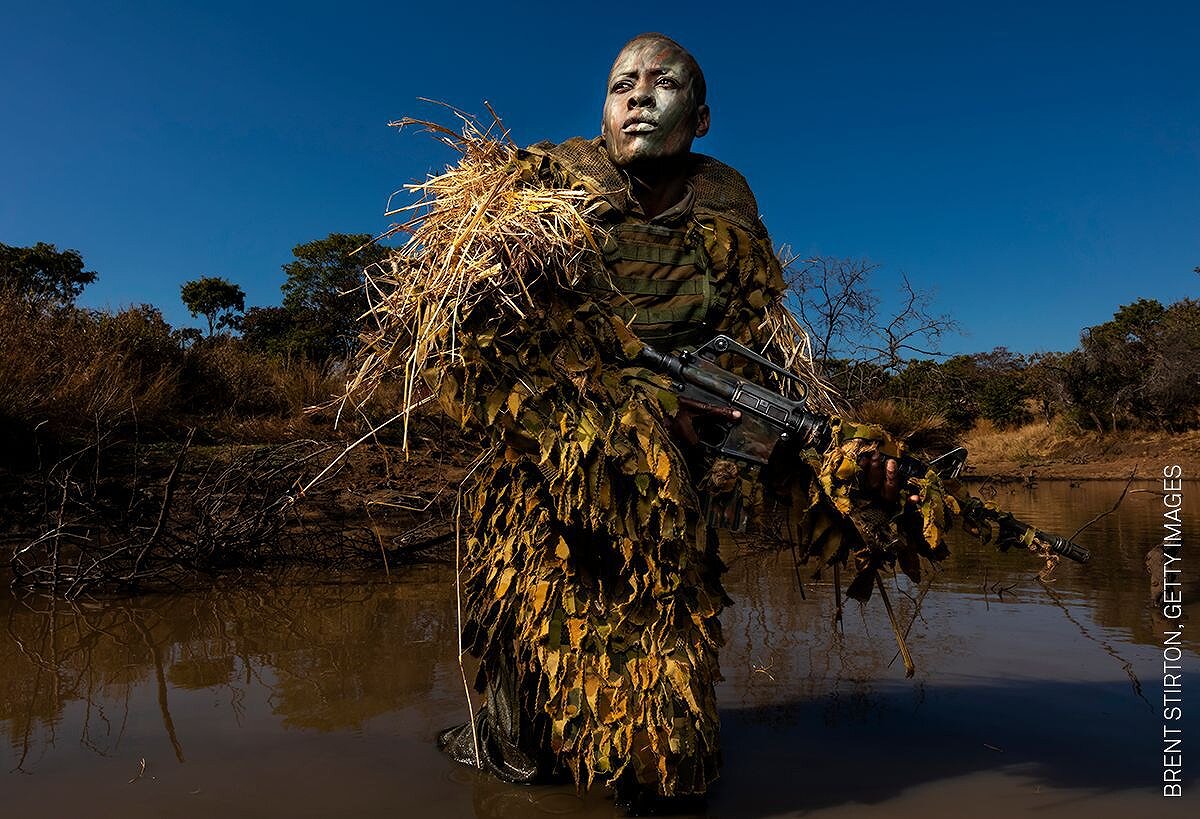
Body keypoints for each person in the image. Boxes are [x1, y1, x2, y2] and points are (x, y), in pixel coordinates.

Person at [433, 32, 931, 807]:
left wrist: (820, 456)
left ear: (700, 117)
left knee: (668, 724)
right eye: (621, 83)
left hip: (672, 483)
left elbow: (756, 355)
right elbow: (474, 346)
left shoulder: (727, 204)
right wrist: (604, 413)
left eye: (662, 84)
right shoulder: (542, 186)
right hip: (546, 479)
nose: (638, 95)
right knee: (531, 703)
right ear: (602, 109)